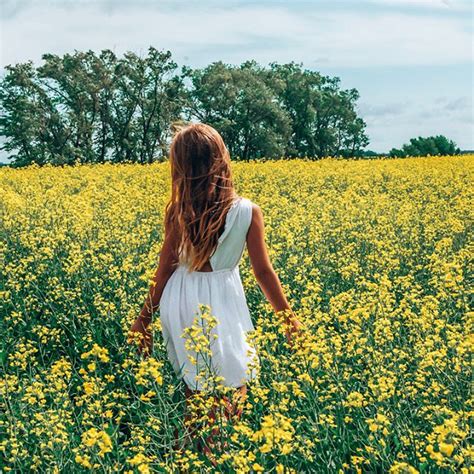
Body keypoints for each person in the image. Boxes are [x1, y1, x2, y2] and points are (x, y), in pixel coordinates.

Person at [128, 123, 302, 461]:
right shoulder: (247, 211)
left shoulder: (178, 210)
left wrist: (142, 321)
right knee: (235, 385)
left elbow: (163, 272)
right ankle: (212, 453)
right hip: (221, 299)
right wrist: (289, 320)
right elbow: (263, 272)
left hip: (181, 298)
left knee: (195, 390)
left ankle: (186, 457)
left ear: (180, 166)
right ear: (221, 160)